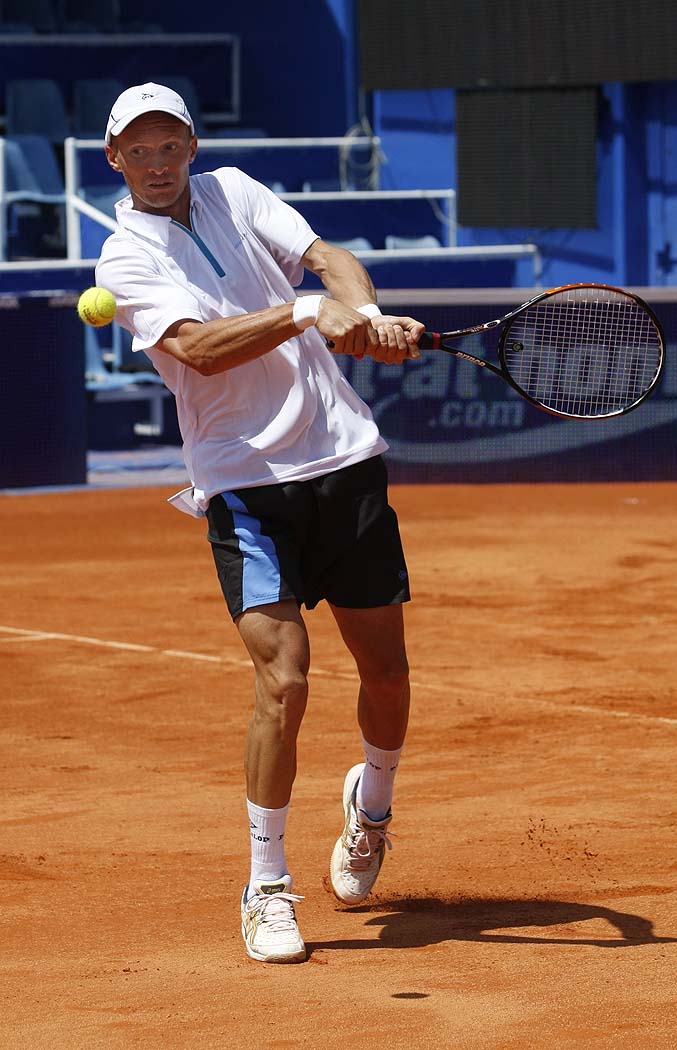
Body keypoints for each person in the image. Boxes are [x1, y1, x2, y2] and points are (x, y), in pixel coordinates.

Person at [96, 83, 424, 964]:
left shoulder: (237, 191)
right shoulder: (122, 260)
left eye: (171, 146)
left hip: (345, 462)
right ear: (114, 159)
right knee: (286, 680)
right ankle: (267, 884)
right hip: (245, 485)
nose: (158, 163)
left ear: (192, 148)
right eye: (140, 150)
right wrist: (310, 313)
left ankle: (372, 812)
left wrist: (365, 308)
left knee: (387, 675)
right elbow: (198, 348)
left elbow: (330, 258)